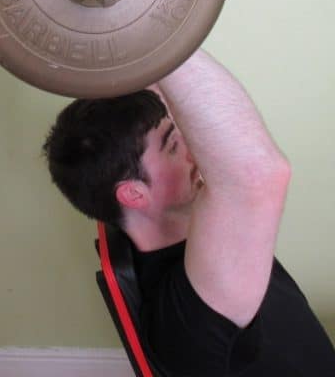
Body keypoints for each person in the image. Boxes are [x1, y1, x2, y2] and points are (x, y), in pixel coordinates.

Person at [43, 49, 334, 375]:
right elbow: (257, 176)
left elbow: (170, 96)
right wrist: (161, 38)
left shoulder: (182, 233)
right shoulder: (187, 319)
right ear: (134, 193)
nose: (197, 150)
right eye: (174, 146)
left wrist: (122, 28)